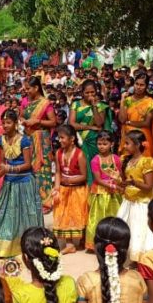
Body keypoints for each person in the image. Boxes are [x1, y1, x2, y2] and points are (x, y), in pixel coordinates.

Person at [0, 110, 44, 258]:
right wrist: (1, 171)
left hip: (24, 181)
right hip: (9, 181)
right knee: (4, 212)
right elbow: (2, 162)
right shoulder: (1, 140)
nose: (5, 125)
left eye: (8, 122)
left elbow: (27, 164)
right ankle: (3, 246)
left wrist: (10, 169)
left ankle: (29, 245)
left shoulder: (24, 140)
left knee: (26, 213)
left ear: (15, 123)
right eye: (3, 123)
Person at [116, 130, 153, 261]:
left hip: (141, 203)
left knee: (139, 230)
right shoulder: (125, 159)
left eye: (127, 143)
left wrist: (134, 183)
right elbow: (125, 181)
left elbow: (149, 186)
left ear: (138, 145)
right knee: (127, 228)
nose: (124, 146)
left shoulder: (146, 161)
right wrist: (121, 184)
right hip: (128, 201)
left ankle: (140, 258)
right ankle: (129, 256)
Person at [22, 77, 59, 212]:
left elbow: (53, 122)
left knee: (43, 169)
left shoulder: (45, 103)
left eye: (28, 88)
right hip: (28, 138)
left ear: (36, 88)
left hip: (42, 140)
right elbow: (22, 116)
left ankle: (45, 202)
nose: (26, 91)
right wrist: (23, 121)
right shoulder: (26, 101)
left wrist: (37, 121)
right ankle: (31, 200)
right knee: (29, 168)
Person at [53, 125, 89, 254]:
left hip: (77, 190)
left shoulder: (79, 155)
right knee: (64, 216)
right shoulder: (58, 153)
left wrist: (69, 180)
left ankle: (83, 241)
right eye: (59, 137)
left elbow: (84, 176)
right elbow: (58, 172)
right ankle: (69, 244)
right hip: (64, 189)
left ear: (72, 139)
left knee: (79, 215)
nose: (60, 140)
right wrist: (56, 188)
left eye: (62, 137)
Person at [86, 131, 122, 251]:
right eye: (99, 144)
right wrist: (112, 185)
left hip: (114, 194)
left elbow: (120, 174)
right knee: (99, 217)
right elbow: (98, 179)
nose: (101, 146)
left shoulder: (116, 159)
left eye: (105, 144)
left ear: (112, 144)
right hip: (101, 194)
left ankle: (115, 241)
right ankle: (98, 244)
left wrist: (119, 185)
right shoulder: (95, 160)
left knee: (115, 216)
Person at [71, 80, 110, 185]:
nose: (90, 95)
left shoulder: (100, 106)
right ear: (82, 93)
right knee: (81, 165)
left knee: (95, 165)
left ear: (96, 92)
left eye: (92, 92)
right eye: (87, 92)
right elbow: (72, 124)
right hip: (79, 140)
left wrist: (94, 106)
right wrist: (89, 127)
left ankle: (95, 187)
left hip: (94, 141)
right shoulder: (76, 104)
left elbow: (99, 123)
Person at [120, 74, 153, 159]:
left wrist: (129, 122)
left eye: (142, 85)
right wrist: (122, 101)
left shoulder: (150, 103)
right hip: (128, 137)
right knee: (127, 162)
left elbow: (146, 123)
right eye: (136, 84)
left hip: (143, 137)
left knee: (143, 163)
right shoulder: (128, 100)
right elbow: (122, 120)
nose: (138, 87)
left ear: (146, 86)